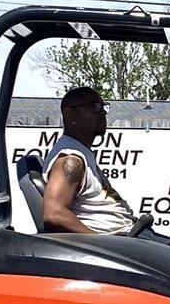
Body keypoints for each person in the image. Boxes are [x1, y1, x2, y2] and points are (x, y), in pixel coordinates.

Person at [41, 86, 136, 235]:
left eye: (103, 106)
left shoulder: (82, 154)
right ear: (70, 115)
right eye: (94, 106)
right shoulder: (71, 159)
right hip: (114, 242)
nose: (103, 112)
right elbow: (54, 213)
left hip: (128, 236)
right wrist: (99, 242)